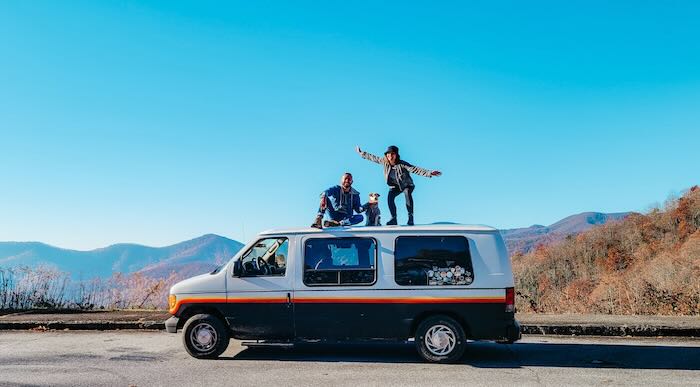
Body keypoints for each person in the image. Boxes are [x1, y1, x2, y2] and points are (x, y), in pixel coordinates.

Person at [356, 145, 441, 226]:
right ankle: (394, 218)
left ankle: (410, 217)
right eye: (388, 154)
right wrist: (361, 153)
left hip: (406, 185)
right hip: (395, 186)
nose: (390, 156)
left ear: (396, 155)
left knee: (407, 193)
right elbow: (373, 158)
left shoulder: (402, 164)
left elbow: (415, 169)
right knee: (390, 198)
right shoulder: (384, 162)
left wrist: (429, 173)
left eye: (392, 154)